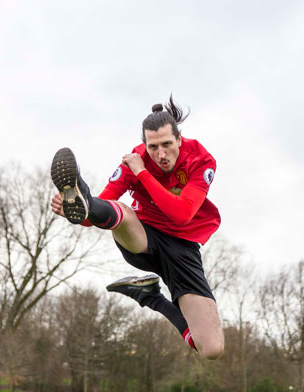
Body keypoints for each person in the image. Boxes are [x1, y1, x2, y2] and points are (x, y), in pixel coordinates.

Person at [50, 96, 224, 359]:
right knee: (124, 214)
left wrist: (143, 172)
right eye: (153, 147)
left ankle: (150, 296)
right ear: (145, 144)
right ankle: (83, 194)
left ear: (179, 139)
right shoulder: (134, 161)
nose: (161, 154)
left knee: (211, 349)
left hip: (182, 248)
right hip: (143, 238)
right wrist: (76, 211)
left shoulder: (200, 160)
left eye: (167, 144)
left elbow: (182, 214)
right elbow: (93, 215)